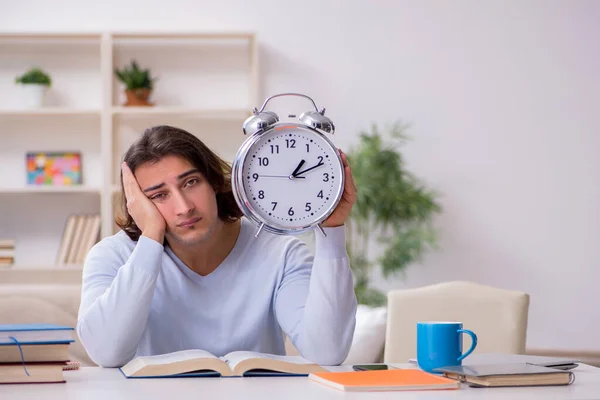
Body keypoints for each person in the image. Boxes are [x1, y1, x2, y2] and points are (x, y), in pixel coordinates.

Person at [76, 125, 358, 368]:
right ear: (139, 205)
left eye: (191, 182)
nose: (184, 207)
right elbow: (106, 353)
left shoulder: (281, 254)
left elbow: (327, 352)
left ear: (213, 181)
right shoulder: (112, 256)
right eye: (159, 195)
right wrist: (150, 236)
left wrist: (331, 230)